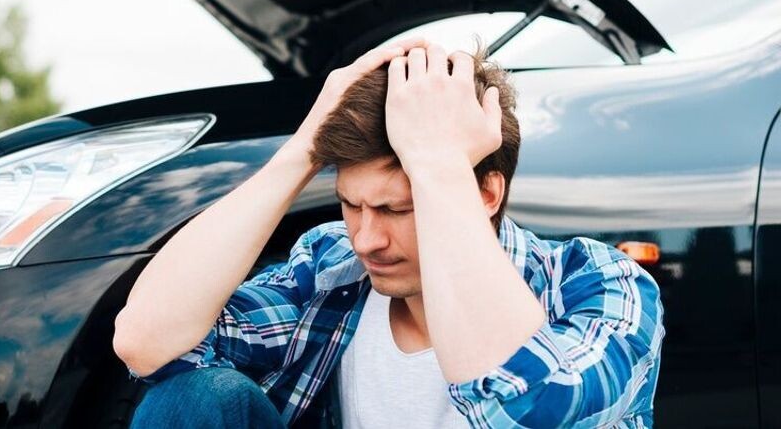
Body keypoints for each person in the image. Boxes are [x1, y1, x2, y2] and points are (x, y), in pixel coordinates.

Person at [112, 40, 665, 428]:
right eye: (351, 205)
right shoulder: (332, 269)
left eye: (397, 209)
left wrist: (439, 166)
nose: (366, 240)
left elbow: (530, 411)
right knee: (197, 397)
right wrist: (303, 148)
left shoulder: (597, 281)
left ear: (486, 194)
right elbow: (148, 344)